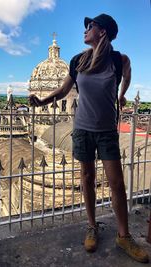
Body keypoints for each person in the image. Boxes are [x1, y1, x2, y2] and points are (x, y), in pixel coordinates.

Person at [29, 14, 149, 263]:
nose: (85, 29)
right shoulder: (77, 60)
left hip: (106, 130)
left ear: (102, 31)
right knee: (87, 178)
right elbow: (64, 91)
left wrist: (122, 95)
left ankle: (124, 235)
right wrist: (42, 101)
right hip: (82, 128)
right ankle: (92, 227)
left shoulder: (119, 60)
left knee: (116, 183)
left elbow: (127, 76)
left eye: (90, 26)